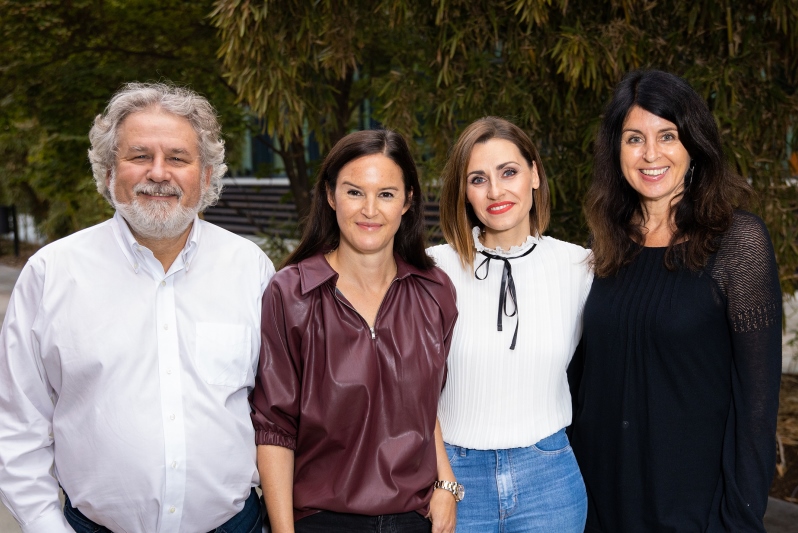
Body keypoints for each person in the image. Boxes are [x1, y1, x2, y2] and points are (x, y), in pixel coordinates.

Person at [0, 83, 275, 533]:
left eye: (178, 158)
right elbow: (16, 424)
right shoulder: (52, 273)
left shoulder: (251, 268)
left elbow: (279, 413)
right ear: (109, 171)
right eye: (140, 155)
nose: (159, 173)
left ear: (206, 176)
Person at [569, 69, 782, 532]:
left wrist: (739, 518)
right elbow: (583, 379)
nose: (651, 154)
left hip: (695, 509)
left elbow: (758, 406)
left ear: (694, 143)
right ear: (616, 150)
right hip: (598, 502)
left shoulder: (737, 241)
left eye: (667, 135)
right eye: (634, 139)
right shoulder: (603, 243)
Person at [251, 129, 459, 533]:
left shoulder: (435, 292)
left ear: (407, 201)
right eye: (354, 192)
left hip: (415, 519)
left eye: (386, 194)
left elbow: (425, 405)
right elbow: (274, 428)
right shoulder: (291, 293)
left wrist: (445, 484)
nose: (370, 210)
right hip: (319, 520)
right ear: (331, 196)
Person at [427, 117, 593, 532]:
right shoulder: (433, 269)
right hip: (454, 479)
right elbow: (408, 388)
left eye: (509, 172)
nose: (495, 191)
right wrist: (443, 479)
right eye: (478, 179)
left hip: (549, 482)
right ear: (463, 191)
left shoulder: (580, 266)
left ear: (534, 175)